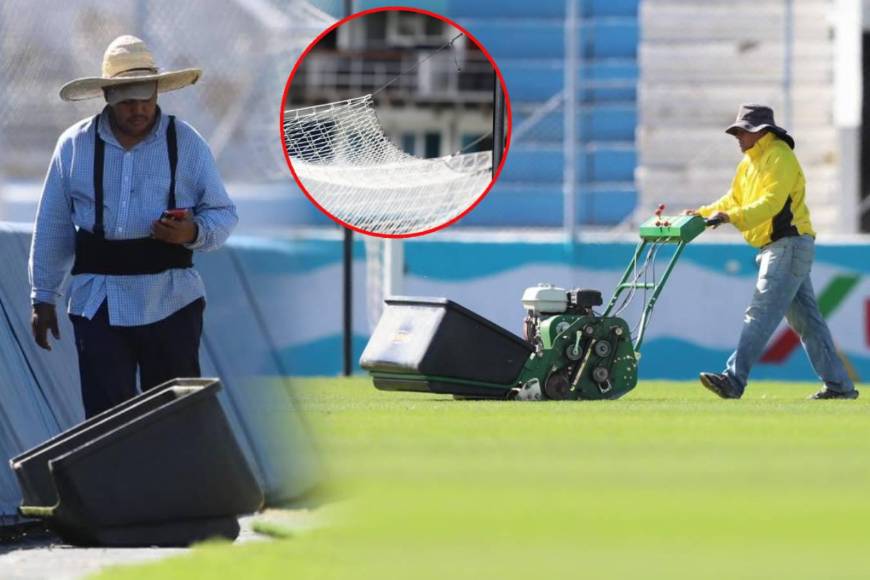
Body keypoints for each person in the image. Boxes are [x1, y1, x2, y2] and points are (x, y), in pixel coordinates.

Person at [29, 35, 238, 418]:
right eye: (127, 100)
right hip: (98, 302)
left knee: (179, 415)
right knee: (107, 421)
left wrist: (190, 233)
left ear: (158, 92)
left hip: (172, 298)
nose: (139, 108)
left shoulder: (187, 143)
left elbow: (223, 214)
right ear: (107, 97)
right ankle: (116, 481)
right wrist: (43, 296)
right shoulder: (73, 146)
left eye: (147, 97)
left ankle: (180, 479)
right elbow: (53, 224)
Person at [685, 104, 858, 400]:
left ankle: (733, 379)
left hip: (788, 244)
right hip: (783, 246)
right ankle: (839, 386)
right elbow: (733, 198)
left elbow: (771, 203)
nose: (738, 136)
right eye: (737, 131)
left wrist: (732, 217)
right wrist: (702, 213)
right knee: (808, 323)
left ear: (761, 132)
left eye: (742, 131)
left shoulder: (780, 157)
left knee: (761, 311)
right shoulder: (749, 163)